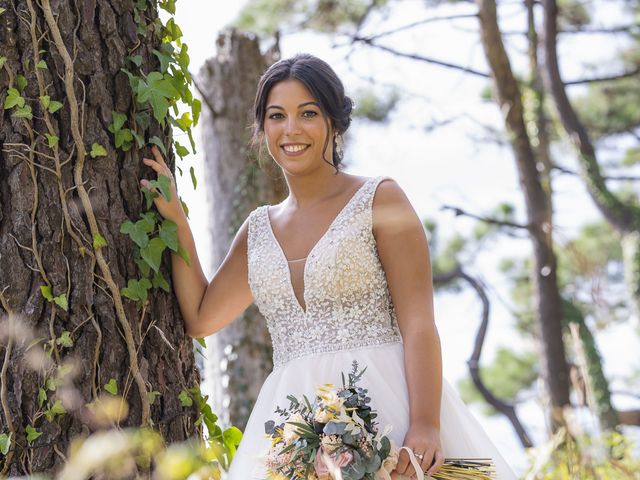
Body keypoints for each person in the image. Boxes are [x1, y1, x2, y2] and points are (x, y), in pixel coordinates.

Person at [141, 53, 517, 479]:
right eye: (277, 115)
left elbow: (419, 325)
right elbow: (201, 317)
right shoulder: (257, 230)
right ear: (262, 127)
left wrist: (426, 423)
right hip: (292, 426)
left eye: (308, 113)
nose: (291, 129)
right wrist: (176, 222)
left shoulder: (381, 199)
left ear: (334, 123)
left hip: (388, 411)